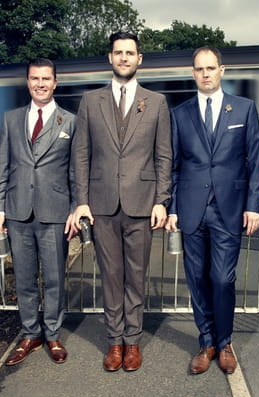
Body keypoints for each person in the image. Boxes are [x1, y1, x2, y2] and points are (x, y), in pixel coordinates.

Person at [69, 32, 172, 372]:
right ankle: (115, 342)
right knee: (111, 275)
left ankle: (133, 342)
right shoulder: (90, 101)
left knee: (136, 276)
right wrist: (80, 201)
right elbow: (80, 156)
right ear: (109, 58)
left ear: (139, 59)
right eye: (118, 52)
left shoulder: (156, 102)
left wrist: (162, 200)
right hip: (101, 206)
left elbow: (163, 157)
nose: (124, 58)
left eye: (130, 53)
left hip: (142, 205)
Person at [165, 46, 259, 374]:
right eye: (199, 69)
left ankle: (224, 342)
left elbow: (255, 161)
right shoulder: (180, 113)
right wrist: (174, 209)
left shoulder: (244, 110)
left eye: (211, 68)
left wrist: (253, 206)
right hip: (192, 211)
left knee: (222, 279)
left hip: (229, 210)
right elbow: (176, 167)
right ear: (192, 73)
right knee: (197, 279)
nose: (205, 74)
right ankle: (206, 341)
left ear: (222, 70)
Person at [0, 58, 75, 366]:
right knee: (25, 279)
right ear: (27, 82)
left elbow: (75, 172)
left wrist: (74, 209)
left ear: (55, 83)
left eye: (46, 78)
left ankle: (52, 334)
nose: (40, 83)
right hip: (17, 212)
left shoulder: (70, 121)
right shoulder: (11, 119)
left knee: (54, 279)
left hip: (55, 212)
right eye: (34, 78)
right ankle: (30, 334)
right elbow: (3, 165)